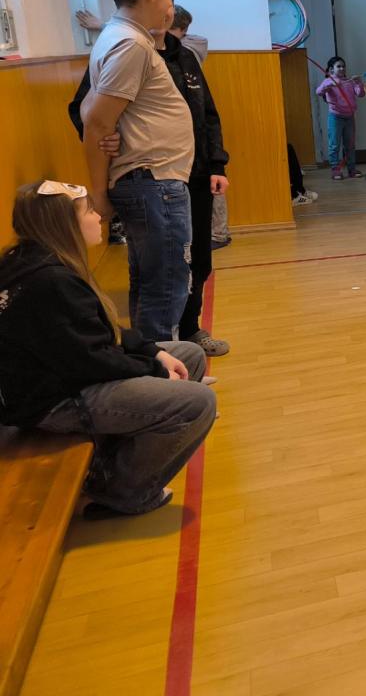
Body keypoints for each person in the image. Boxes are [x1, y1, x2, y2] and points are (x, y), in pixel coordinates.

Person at [0, 180, 217, 517]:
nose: (98, 217)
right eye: (88, 211)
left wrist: (153, 353)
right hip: (54, 401)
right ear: (66, 224)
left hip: (70, 378)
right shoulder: (49, 281)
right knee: (197, 402)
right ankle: (123, 491)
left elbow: (99, 333)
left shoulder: (42, 261)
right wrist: (156, 370)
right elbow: (92, 362)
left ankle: (110, 460)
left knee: (188, 355)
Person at [80, 0, 194, 343]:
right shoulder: (130, 44)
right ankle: (166, 368)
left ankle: (156, 361)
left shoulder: (123, 39)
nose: (169, 5)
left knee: (153, 282)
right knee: (166, 284)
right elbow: (96, 121)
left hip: (152, 180)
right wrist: (99, 194)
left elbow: (91, 110)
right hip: (153, 180)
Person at [316, 56, 366, 179]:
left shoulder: (349, 81)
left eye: (343, 66)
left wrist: (359, 83)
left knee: (350, 145)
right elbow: (319, 92)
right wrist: (328, 85)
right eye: (339, 66)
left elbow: (361, 94)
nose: (342, 68)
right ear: (331, 69)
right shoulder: (328, 81)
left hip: (349, 117)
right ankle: (335, 170)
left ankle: (352, 169)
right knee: (334, 145)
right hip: (335, 117)